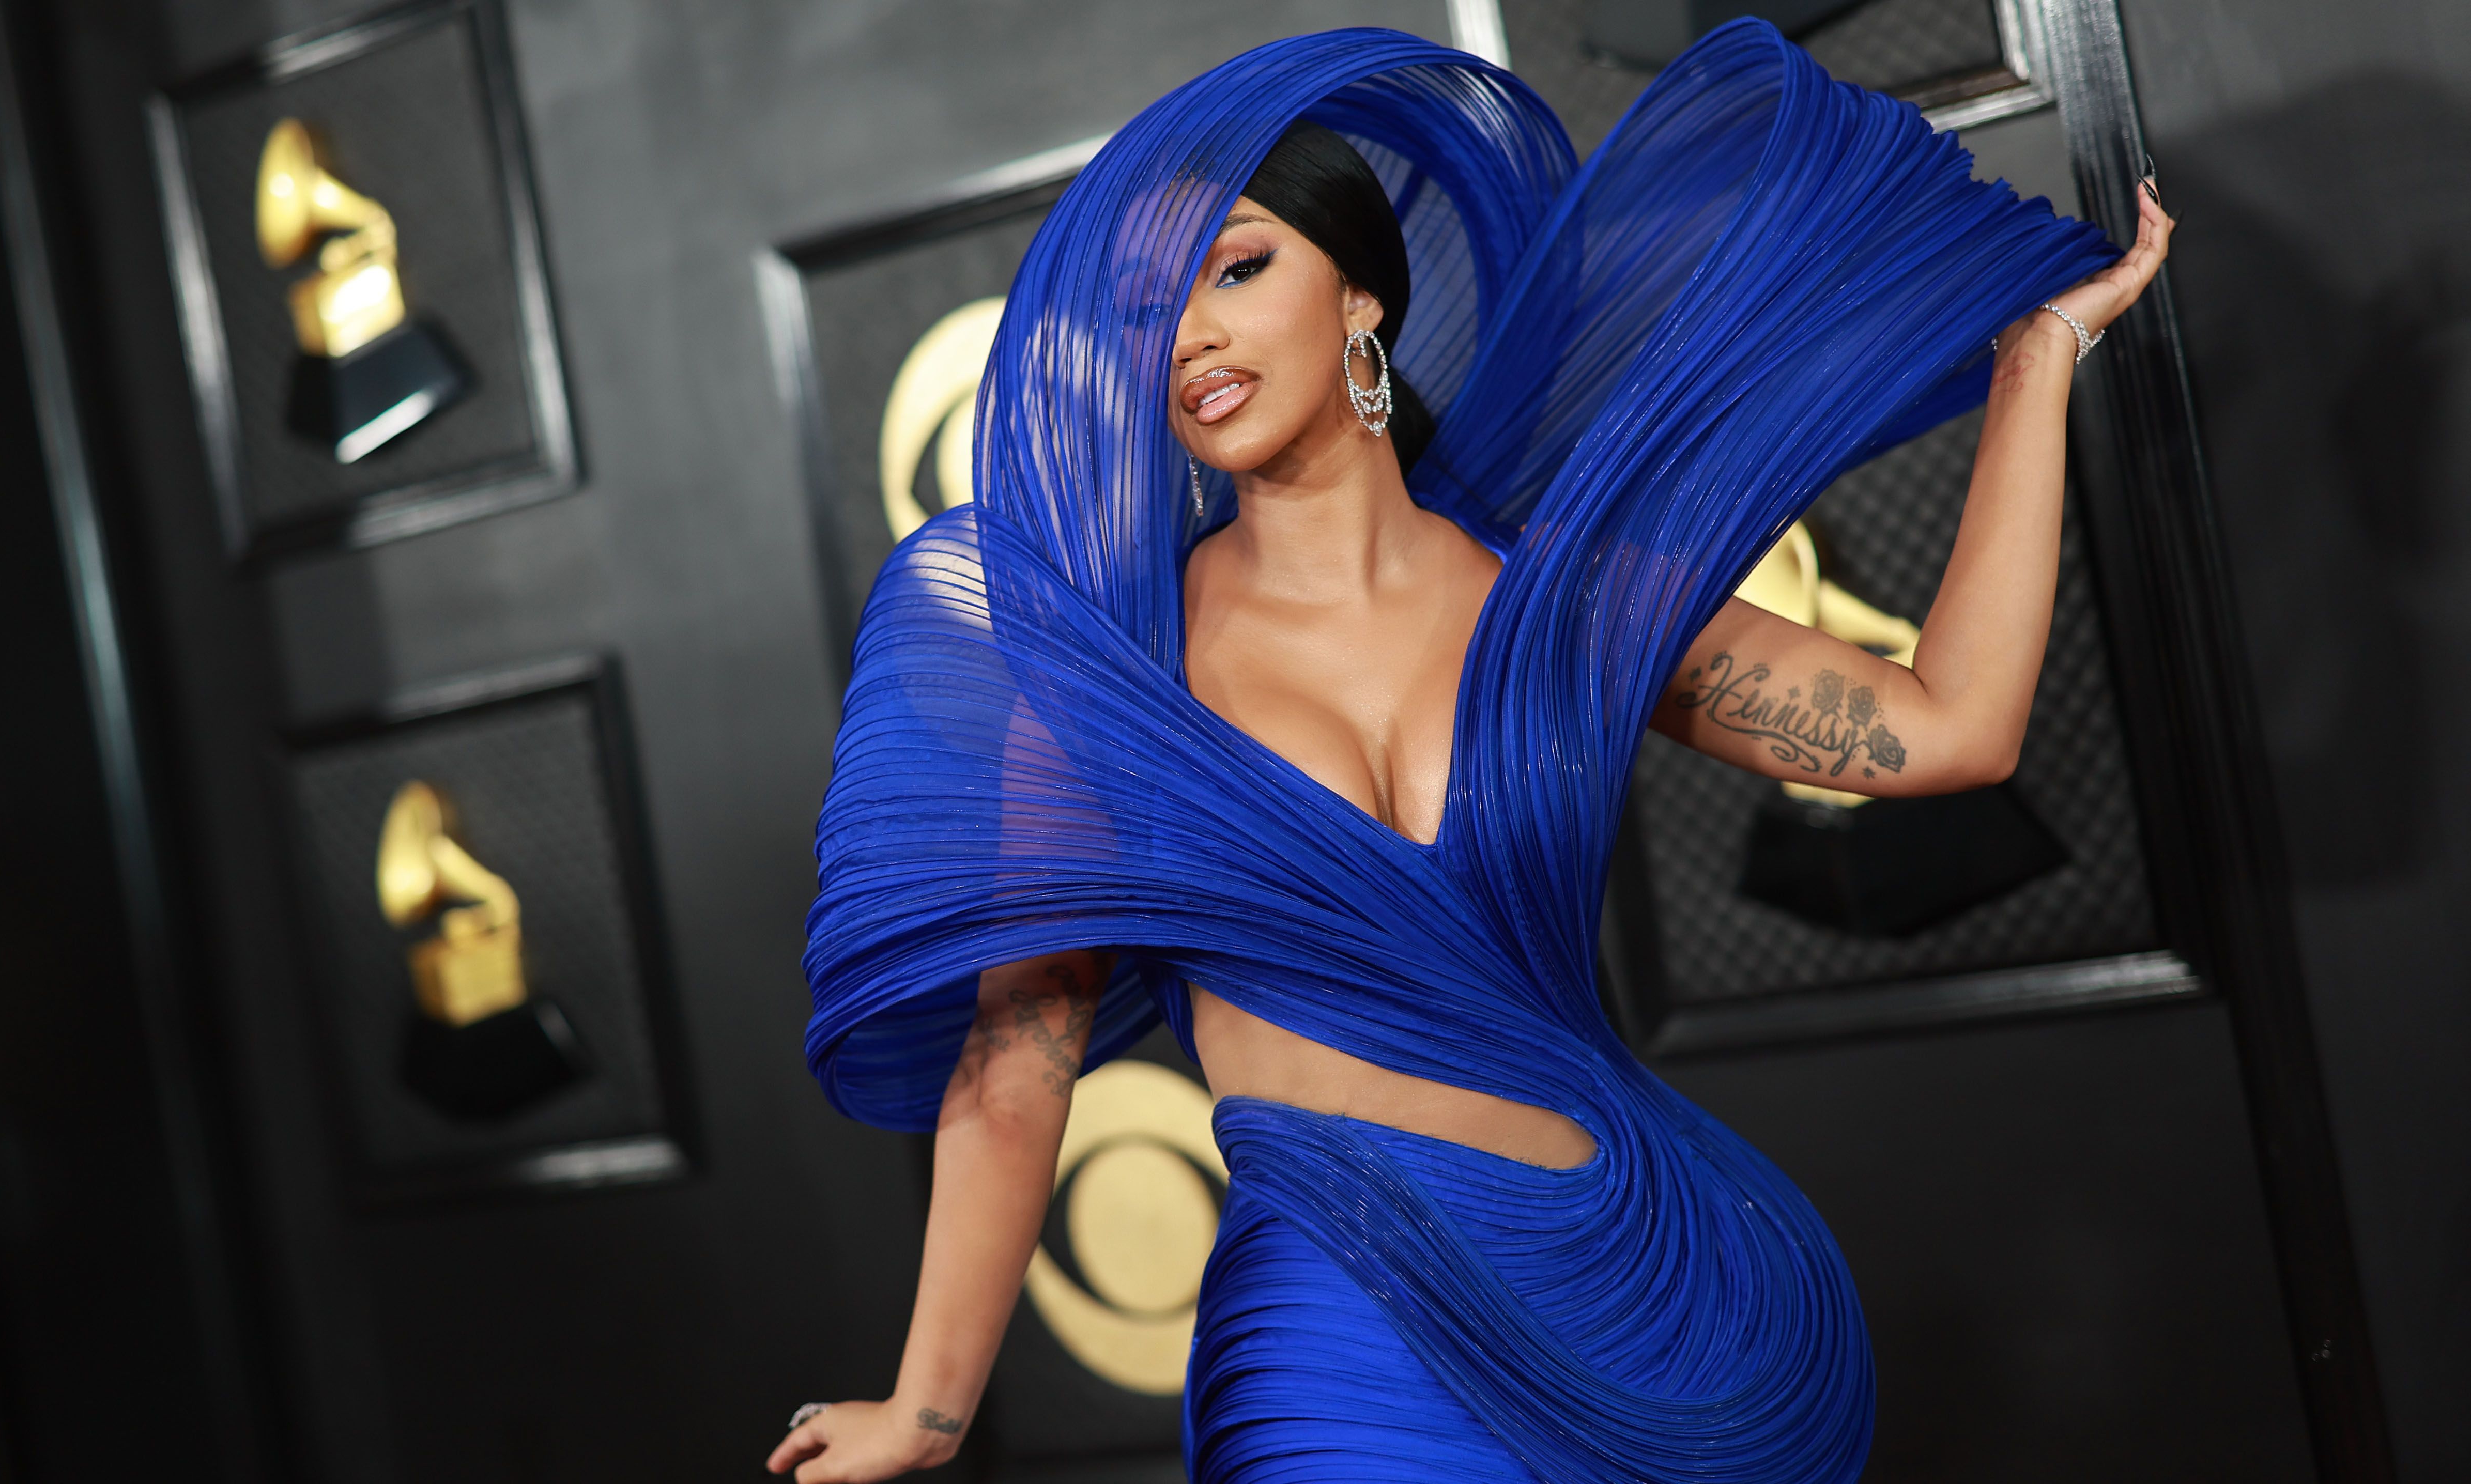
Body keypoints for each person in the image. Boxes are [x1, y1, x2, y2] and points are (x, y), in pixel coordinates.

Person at [770, 20, 2170, 1483]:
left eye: (1235, 269)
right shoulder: (1104, 675)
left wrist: (2036, 365)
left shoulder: (1568, 603)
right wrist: (928, 1410)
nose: (1187, 335)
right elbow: (1018, 1057)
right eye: (1143, 309)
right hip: (1334, 1321)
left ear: (1359, 294)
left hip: (1636, 1284)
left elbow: (1949, 729)